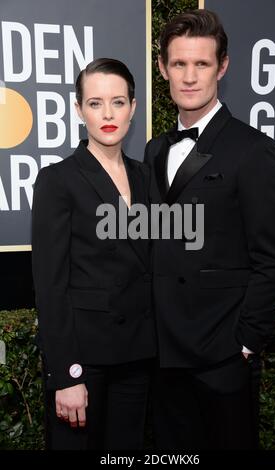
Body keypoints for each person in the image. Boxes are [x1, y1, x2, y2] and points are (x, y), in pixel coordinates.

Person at [144, 9, 275, 450]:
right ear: (162, 68)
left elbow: (272, 262)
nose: (189, 77)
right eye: (179, 64)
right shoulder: (154, 150)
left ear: (222, 67)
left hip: (221, 360)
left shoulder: (254, 151)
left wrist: (244, 344)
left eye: (202, 64)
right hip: (162, 358)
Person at [32, 58, 156, 450]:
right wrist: (66, 375)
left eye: (118, 102)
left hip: (138, 356)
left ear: (133, 108)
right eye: (95, 103)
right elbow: (51, 286)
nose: (107, 114)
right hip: (84, 360)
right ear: (78, 109)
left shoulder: (147, 177)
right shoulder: (58, 180)